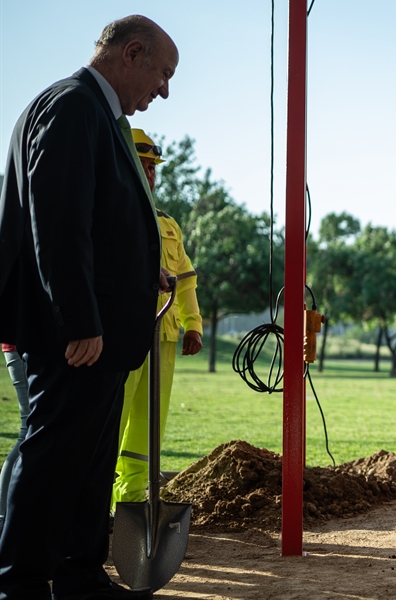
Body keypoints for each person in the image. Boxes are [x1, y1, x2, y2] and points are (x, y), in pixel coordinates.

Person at [0, 15, 178, 600]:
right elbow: (58, 221)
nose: (164, 90)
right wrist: (78, 320)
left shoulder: (96, 113)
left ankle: (78, 575)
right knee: (52, 458)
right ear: (132, 53)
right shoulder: (73, 107)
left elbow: (98, 218)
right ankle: (20, 584)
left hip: (103, 335)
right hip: (74, 335)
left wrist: (139, 265)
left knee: (89, 462)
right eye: (163, 73)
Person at [111, 130, 203, 511]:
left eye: (153, 168)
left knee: (150, 426)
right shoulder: (110, 212)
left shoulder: (168, 224)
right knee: (111, 421)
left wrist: (193, 323)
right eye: (143, 166)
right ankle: (93, 503)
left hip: (163, 337)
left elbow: (186, 278)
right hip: (123, 333)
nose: (149, 174)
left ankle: (132, 501)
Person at [0, 345, 29, 532]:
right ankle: (3, 519)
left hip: (23, 344)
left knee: (29, 429)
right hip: (24, 345)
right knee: (29, 430)